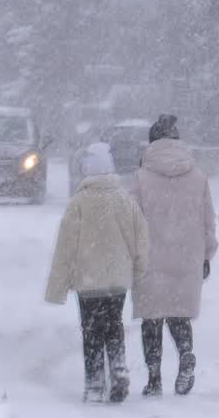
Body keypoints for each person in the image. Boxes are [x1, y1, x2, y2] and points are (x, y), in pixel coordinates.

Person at [45, 143, 149, 404]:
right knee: (114, 324)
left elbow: (65, 247)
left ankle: (94, 383)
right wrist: (138, 271)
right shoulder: (126, 201)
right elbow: (141, 241)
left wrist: (58, 285)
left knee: (91, 329)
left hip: (88, 280)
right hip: (117, 281)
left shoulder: (79, 202)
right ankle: (118, 367)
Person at [133, 114, 218, 397]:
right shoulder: (198, 177)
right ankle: (185, 354)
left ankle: (154, 377)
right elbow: (208, 220)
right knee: (179, 315)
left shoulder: (141, 178)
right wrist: (207, 254)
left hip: (151, 258)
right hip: (187, 257)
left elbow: (134, 221)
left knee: (151, 318)